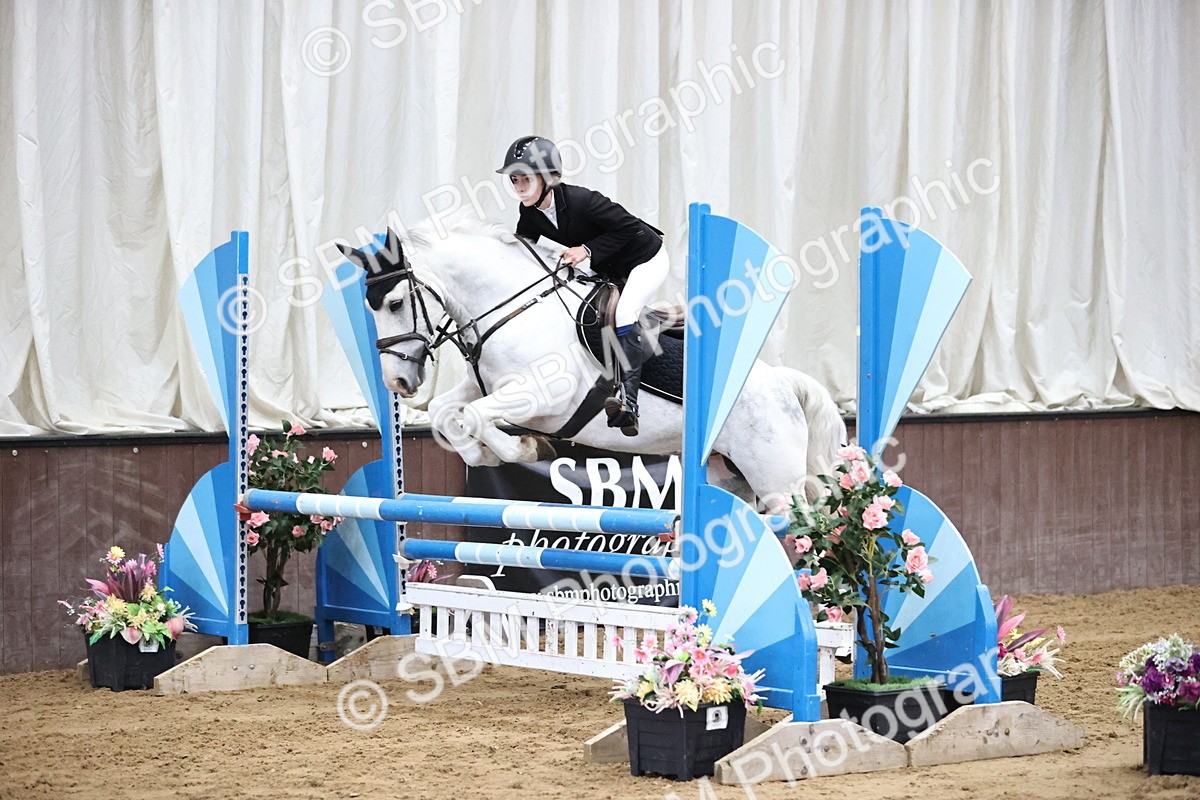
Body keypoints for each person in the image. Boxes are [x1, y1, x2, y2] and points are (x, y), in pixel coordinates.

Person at [497, 135, 668, 436]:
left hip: (645, 258)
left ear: (548, 178)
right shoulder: (529, 212)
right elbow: (523, 250)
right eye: (514, 180)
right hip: (610, 267)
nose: (519, 187)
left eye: (526, 179)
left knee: (626, 313)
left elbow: (629, 226)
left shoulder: (581, 200)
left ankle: (629, 403)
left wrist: (586, 250)